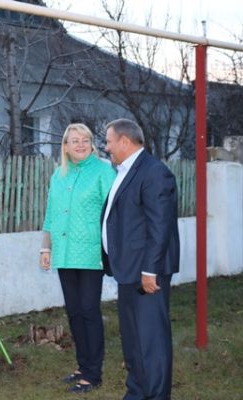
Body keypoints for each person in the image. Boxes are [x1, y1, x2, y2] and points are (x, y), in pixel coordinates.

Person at [102, 118, 180, 400]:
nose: (106, 146)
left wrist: (151, 270)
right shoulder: (125, 171)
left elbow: (161, 226)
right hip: (128, 270)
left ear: (125, 141)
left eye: (109, 141)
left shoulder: (154, 172)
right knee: (134, 340)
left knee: (152, 341)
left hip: (147, 272)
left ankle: (157, 395)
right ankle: (137, 392)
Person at [39, 123, 116, 393]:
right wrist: (45, 248)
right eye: (74, 141)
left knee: (89, 311)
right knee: (73, 313)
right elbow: (50, 214)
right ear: (65, 146)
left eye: (85, 140)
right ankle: (83, 366)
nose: (80, 144)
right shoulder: (58, 175)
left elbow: (114, 211)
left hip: (91, 254)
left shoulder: (103, 171)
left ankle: (93, 374)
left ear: (92, 144)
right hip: (63, 253)